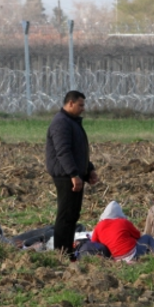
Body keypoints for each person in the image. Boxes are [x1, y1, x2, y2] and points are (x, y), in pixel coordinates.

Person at [45, 90, 99, 256]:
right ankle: (61, 253)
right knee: (66, 215)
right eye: (80, 105)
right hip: (65, 177)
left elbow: (78, 152)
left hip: (73, 175)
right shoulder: (61, 123)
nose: (83, 108)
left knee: (72, 215)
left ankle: (67, 250)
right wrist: (74, 174)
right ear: (70, 103)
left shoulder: (72, 122)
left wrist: (89, 169)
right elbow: (63, 152)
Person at [90, 202, 154, 262]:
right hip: (132, 254)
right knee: (148, 237)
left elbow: (94, 243)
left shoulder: (98, 226)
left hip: (117, 259)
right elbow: (137, 235)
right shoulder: (123, 222)